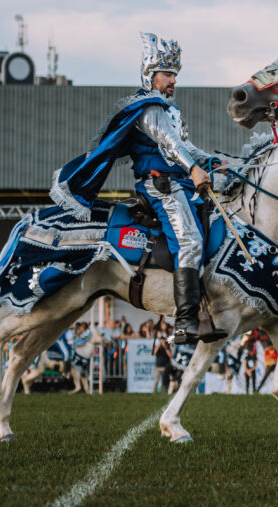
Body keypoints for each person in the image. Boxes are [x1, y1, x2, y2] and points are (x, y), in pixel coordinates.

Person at [50, 33, 226, 345]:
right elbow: (171, 146)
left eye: (175, 74)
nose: (173, 80)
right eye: (167, 74)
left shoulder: (171, 111)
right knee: (189, 240)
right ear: (150, 75)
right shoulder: (148, 108)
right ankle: (185, 321)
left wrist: (214, 162)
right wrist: (194, 168)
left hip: (181, 182)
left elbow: (187, 148)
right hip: (161, 187)